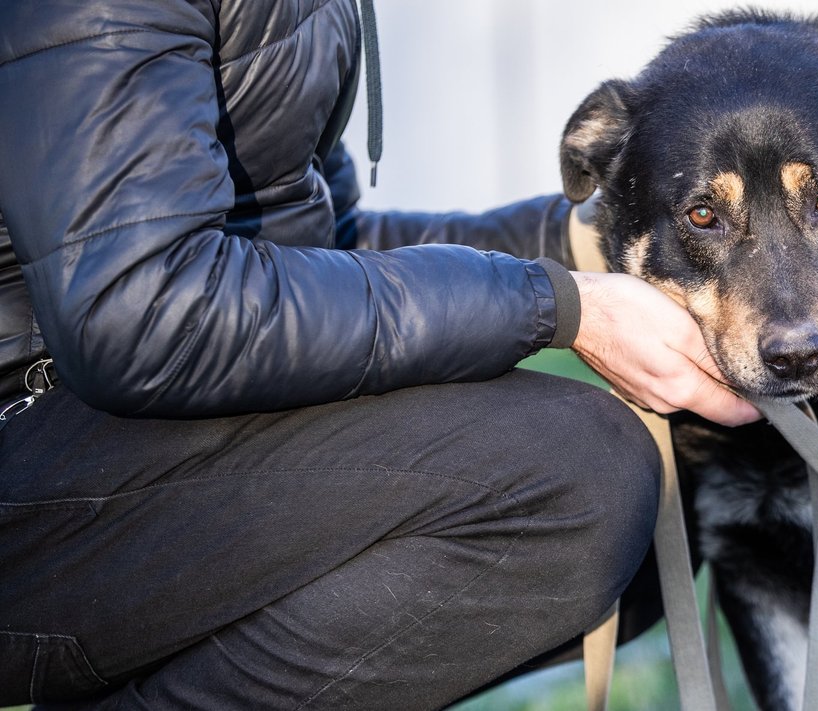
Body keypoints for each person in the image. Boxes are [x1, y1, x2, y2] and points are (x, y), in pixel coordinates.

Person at [0, 2, 758, 709]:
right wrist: (559, 306)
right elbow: (143, 312)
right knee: (577, 473)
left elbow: (314, 251)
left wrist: (567, 245)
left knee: (664, 512)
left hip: (102, 426)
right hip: (31, 441)